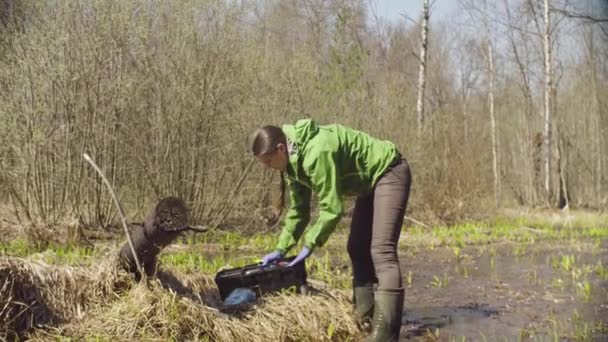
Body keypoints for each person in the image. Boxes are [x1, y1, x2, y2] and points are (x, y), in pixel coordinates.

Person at [250, 118, 411, 342]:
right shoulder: (292, 165)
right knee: (356, 247)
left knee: (382, 251)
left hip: (388, 171)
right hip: (367, 184)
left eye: (268, 161)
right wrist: (282, 247)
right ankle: (366, 317)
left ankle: (385, 334)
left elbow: (332, 208)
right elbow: (299, 211)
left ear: (280, 148)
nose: (268, 168)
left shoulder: (317, 152)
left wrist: (309, 243)